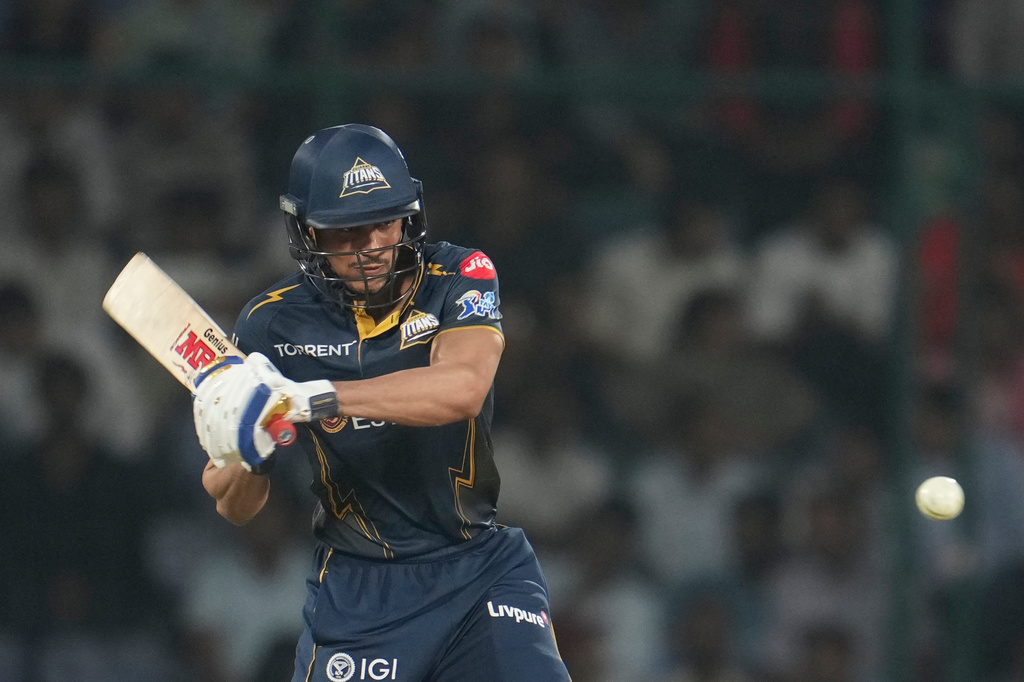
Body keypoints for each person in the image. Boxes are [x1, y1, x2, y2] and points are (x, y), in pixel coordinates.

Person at [190, 123, 572, 682]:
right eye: (346, 232)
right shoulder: (270, 324)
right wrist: (248, 448)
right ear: (306, 231)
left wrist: (313, 398)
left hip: (478, 569)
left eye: (385, 223)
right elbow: (235, 506)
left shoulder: (458, 276)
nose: (371, 248)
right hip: (360, 591)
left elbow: (464, 387)